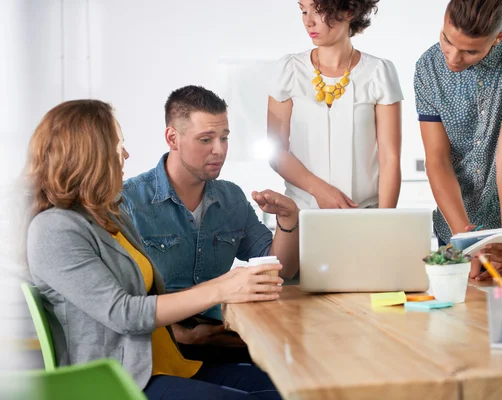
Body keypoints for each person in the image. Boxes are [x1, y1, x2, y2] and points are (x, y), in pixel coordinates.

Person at [26, 100, 283, 399]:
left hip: (170, 365)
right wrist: (223, 288)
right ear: (89, 154)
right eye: (117, 144)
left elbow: (148, 294)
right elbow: (123, 313)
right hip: (123, 381)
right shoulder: (53, 230)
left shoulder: (109, 215)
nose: (125, 154)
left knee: (290, 389)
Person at [121, 85, 299, 362]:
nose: (219, 150)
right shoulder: (129, 202)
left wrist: (288, 220)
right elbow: (123, 305)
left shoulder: (232, 198)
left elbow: (280, 270)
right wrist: (182, 335)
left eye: (224, 138)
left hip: (225, 338)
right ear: (172, 138)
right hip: (161, 353)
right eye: (206, 139)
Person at [414, 0, 502, 278]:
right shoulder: (428, 69)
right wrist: (467, 242)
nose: (453, 57)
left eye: (470, 51)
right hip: (459, 220)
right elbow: (438, 160)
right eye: (446, 39)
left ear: (498, 37)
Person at [267, 0, 402, 210]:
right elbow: (276, 150)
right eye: (303, 11)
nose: (308, 22)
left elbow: (390, 159)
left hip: (364, 212)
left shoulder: (378, 72)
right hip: (302, 213)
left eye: (318, 11)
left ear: (348, 11)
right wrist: (320, 190)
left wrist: (383, 222)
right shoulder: (289, 70)